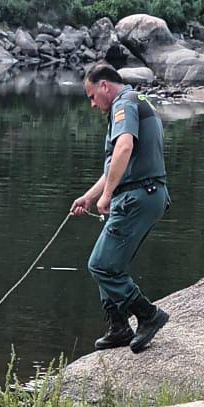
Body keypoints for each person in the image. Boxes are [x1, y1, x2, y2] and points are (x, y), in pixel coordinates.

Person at [71, 63, 171, 353]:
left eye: (91, 96)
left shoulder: (123, 104)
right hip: (144, 194)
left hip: (137, 196)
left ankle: (148, 316)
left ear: (105, 86)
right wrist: (90, 196)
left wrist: (109, 195)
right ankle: (118, 327)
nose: (92, 104)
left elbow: (124, 148)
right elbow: (116, 163)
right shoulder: (137, 100)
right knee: (109, 262)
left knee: (100, 265)